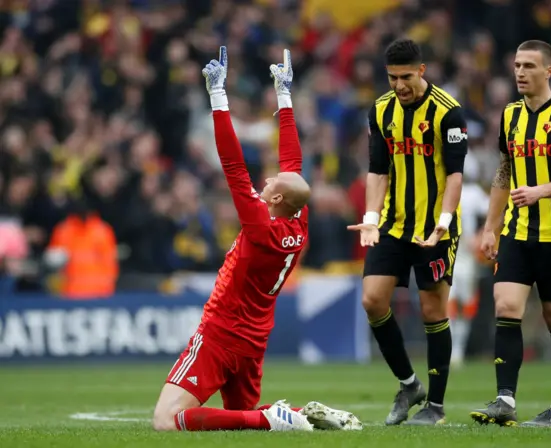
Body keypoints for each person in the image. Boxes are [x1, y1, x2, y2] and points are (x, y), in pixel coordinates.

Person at [152, 47, 362, 432]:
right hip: (253, 340)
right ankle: (297, 416)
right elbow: (293, 162)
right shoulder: (298, 223)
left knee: (166, 420)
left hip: (220, 333)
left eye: (271, 183)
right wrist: (284, 97)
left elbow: (232, 163)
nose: (265, 180)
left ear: (277, 199)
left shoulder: (259, 226)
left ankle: (270, 418)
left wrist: (217, 97)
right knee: (237, 423)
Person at [470, 40, 551, 428]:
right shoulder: (509, 116)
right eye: (517, 65)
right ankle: (505, 400)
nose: (520, 72)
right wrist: (491, 227)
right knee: (506, 306)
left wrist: (540, 190)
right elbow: (503, 172)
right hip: (518, 233)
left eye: (529, 66)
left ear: (548, 71)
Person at [347, 38, 468, 426]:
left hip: (435, 227)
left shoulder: (448, 113)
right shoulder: (381, 111)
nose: (398, 85)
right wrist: (370, 215)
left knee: (433, 309)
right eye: (392, 77)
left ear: (422, 71)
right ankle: (409, 383)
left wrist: (443, 224)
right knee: (372, 300)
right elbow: (378, 170)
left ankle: (435, 406)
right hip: (394, 225)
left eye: (405, 77)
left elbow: (455, 175)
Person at [449, 153, 489, 367]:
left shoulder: (473, 193)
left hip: (466, 256)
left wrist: (483, 233)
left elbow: (494, 211)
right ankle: (450, 349)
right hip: (446, 251)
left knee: (465, 304)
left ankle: (458, 350)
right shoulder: (441, 189)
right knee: (448, 301)